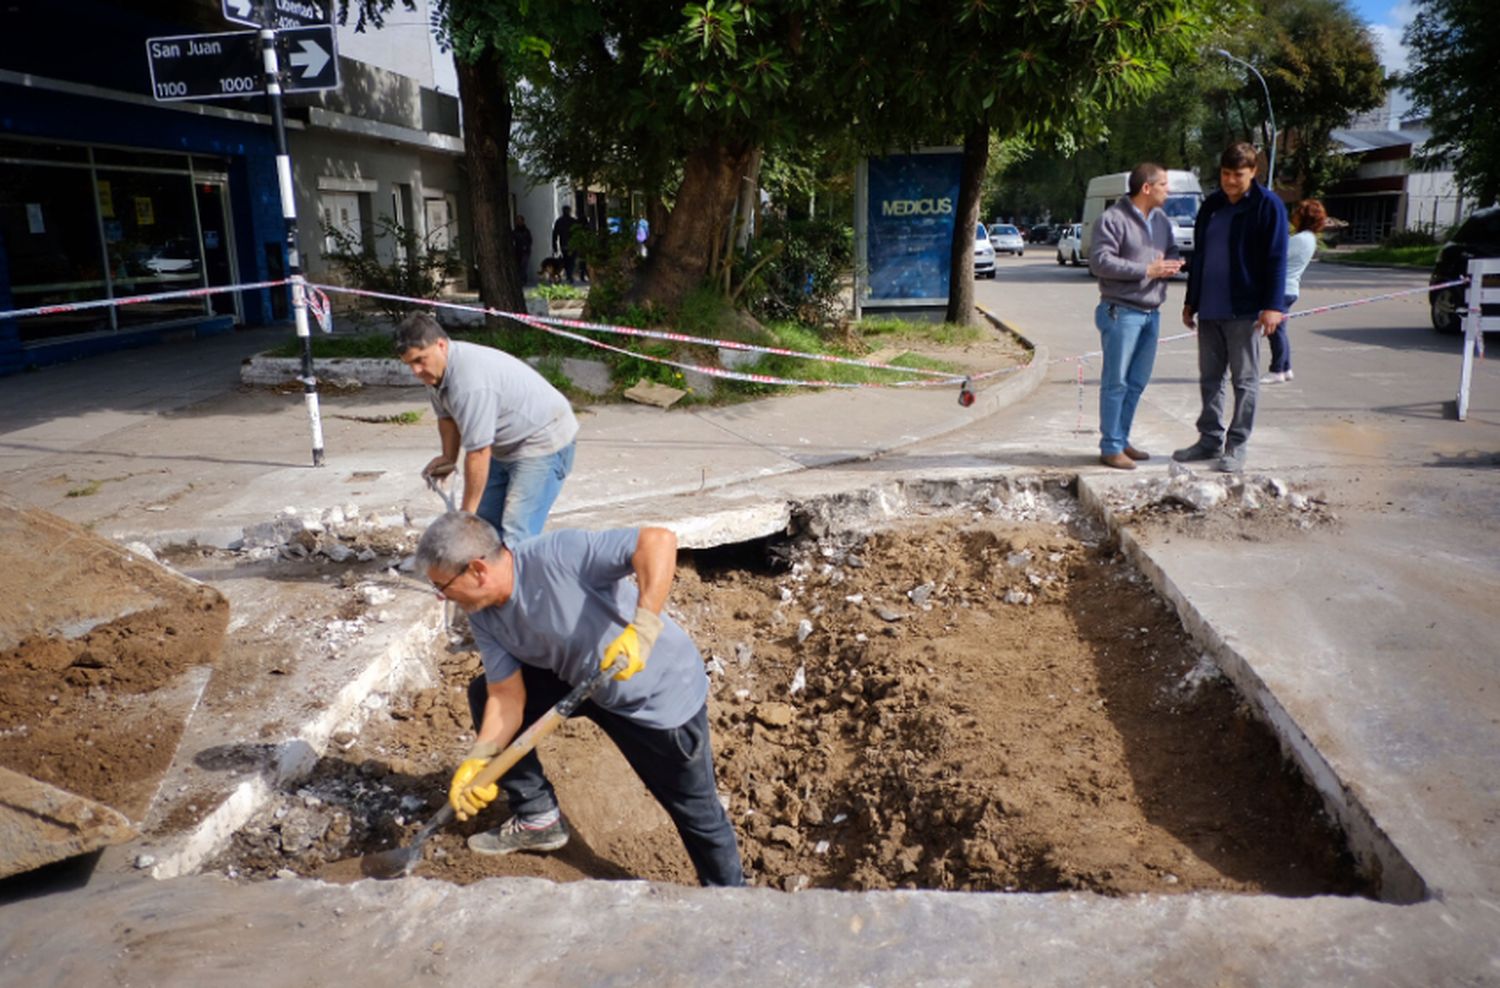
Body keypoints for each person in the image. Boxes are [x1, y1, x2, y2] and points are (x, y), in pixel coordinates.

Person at [416, 511, 746, 887]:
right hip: (580, 680)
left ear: (477, 570)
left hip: (653, 696)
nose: (442, 597)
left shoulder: (558, 555)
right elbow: (507, 696)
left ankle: (731, 898)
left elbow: (658, 541)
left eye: (443, 586)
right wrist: (481, 757)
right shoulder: (483, 613)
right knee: (481, 692)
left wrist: (644, 627)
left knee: (696, 814)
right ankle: (538, 816)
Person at [395, 312, 578, 547]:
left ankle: (522, 580)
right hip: (506, 444)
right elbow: (446, 418)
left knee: (516, 532)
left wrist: (465, 518)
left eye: (420, 360)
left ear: (441, 345)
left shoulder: (469, 384)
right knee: (485, 525)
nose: (416, 371)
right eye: (410, 364)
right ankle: (487, 577)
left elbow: (479, 453)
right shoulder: (436, 373)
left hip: (543, 440)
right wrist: (448, 458)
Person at [1174, 142, 1289, 474]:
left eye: (1238, 175)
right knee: (1210, 379)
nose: (1230, 181)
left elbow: (1276, 259)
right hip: (1210, 309)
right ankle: (1209, 439)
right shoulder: (1211, 205)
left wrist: (1272, 306)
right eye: (1225, 174)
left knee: (1245, 380)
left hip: (1246, 309)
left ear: (1253, 172)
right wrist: (1190, 301)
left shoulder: (1269, 207)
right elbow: (1199, 257)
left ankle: (1237, 446)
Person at [1088, 162, 1184, 470]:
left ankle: (1122, 439)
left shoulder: (1161, 221)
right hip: (1121, 312)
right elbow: (1100, 262)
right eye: (1164, 185)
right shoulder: (1112, 220)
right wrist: (1145, 270)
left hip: (1151, 312)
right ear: (1146, 187)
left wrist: (1171, 264)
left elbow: (1170, 251)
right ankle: (1110, 447)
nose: (1168, 191)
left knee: (1136, 382)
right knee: (1116, 382)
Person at [1264, 198, 1326, 384]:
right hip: (1289, 288)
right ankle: (1286, 367)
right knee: (1280, 330)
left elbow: (1276, 258)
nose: (1294, 216)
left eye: (1298, 212)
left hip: (1282, 289)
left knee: (1275, 331)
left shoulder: (1300, 239)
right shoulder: (1308, 238)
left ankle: (1277, 370)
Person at [551, 205, 582, 284]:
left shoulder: (559, 221)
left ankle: (569, 275)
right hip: (572, 245)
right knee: (571, 261)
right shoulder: (573, 221)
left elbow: (555, 235)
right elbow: (578, 234)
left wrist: (554, 246)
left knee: (566, 260)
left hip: (564, 245)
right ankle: (569, 275)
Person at [511, 214, 533, 286]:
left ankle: (523, 280)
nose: (519, 222)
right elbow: (512, 240)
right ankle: (520, 279)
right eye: (517, 221)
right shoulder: (514, 231)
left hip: (525, 251)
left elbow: (530, 240)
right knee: (518, 266)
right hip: (517, 251)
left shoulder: (526, 231)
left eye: (520, 220)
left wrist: (526, 246)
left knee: (523, 266)